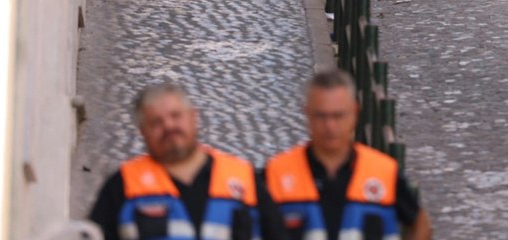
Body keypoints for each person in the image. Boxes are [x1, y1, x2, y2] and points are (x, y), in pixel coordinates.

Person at [260, 69, 431, 240]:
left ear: (355, 113)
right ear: (307, 114)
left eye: (338, 115)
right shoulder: (276, 173)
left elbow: (420, 222)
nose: (330, 126)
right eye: (321, 116)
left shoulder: (384, 172)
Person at [89, 83, 259, 240]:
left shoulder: (245, 178)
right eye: (156, 122)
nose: (169, 126)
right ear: (143, 131)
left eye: (176, 116)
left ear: (194, 117)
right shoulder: (122, 186)